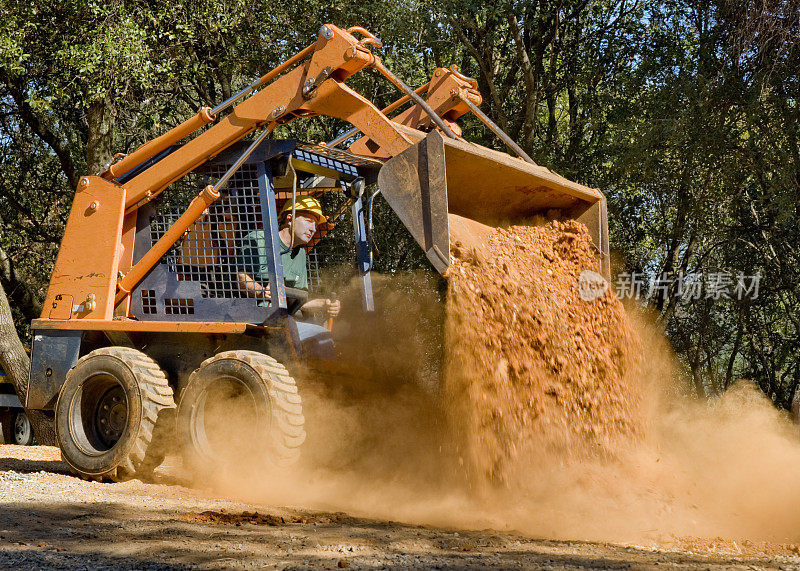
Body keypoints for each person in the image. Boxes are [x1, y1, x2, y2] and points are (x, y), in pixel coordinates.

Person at [236, 196, 340, 320]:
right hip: (248, 314)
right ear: (290, 218)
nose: (313, 229)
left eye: (316, 225)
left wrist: (325, 304)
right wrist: (262, 291)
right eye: (308, 221)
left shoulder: (300, 254)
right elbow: (239, 277)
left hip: (282, 317)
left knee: (319, 333)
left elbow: (299, 302)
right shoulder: (259, 239)